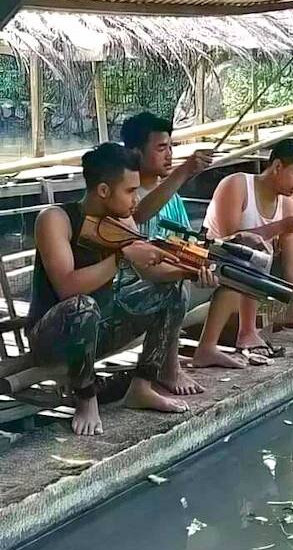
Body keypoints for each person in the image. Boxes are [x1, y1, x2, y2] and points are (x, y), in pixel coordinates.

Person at [28, 143, 217, 437]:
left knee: (173, 288)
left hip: (102, 329)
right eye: (130, 191)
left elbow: (150, 272)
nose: (135, 200)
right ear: (104, 190)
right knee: (82, 306)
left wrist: (191, 272)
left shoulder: (122, 220)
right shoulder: (55, 219)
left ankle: (142, 386)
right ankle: (86, 398)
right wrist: (121, 257)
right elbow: (67, 287)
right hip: (54, 339)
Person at [195, 139, 293, 365]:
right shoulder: (237, 185)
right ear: (277, 167)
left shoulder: (287, 205)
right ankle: (240, 334)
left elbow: (292, 261)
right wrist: (280, 227)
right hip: (211, 265)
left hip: (253, 274)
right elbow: (230, 241)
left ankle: (251, 331)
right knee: (249, 251)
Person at [120, 111, 212, 238]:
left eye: (170, 147)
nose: (169, 155)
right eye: (161, 148)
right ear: (136, 153)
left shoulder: (172, 198)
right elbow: (138, 215)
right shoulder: (123, 196)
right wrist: (183, 171)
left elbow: (188, 240)